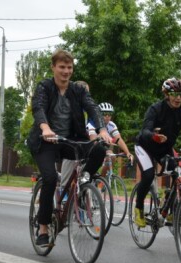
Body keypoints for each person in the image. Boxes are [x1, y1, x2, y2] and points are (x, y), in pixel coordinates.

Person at [27, 49, 112, 246]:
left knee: (99, 149)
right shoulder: (44, 87)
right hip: (45, 141)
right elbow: (38, 107)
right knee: (49, 179)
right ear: (54, 67)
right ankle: (43, 229)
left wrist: (101, 129)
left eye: (69, 67)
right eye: (62, 67)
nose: (66, 71)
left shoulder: (78, 90)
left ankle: (83, 183)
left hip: (70, 140)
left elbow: (92, 107)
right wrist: (45, 127)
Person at [133, 78, 181, 228]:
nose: (178, 98)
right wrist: (154, 136)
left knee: (177, 174)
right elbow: (145, 130)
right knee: (148, 174)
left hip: (164, 149)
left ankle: (171, 209)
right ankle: (138, 209)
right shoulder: (156, 109)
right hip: (144, 146)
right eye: (175, 94)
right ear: (167, 94)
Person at [86, 102, 135, 177]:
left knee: (112, 156)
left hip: (101, 147)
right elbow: (93, 141)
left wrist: (128, 153)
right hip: (88, 148)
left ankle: (101, 182)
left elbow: (119, 139)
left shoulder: (111, 125)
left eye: (109, 114)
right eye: (105, 114)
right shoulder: (92, 124)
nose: (107, 117)